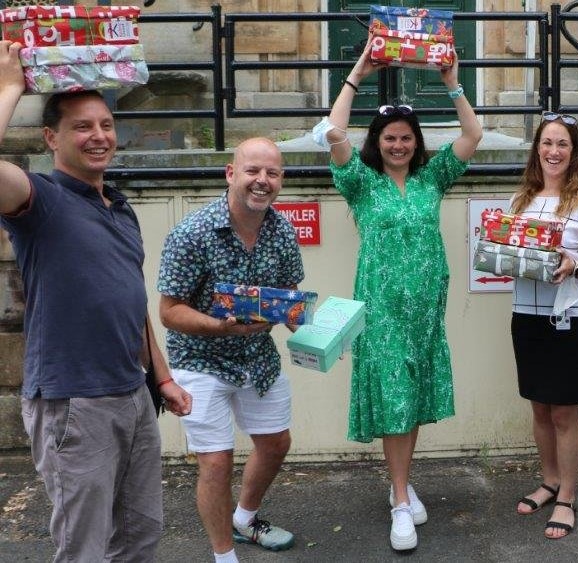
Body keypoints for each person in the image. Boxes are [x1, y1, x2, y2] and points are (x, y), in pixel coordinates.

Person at [0, 41, 192, 561]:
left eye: (105, 124)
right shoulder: (39, 201)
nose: (99, 136)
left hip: (133, 395)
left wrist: (163, 376)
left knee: (139, 537)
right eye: (82, 127)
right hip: (73, 403)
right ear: (51, 137)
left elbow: (131, 302)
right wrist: (10, 87)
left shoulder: (120, 209)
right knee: (83, 548)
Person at [318, 36, 481, 551]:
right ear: (378, 141)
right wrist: (357, 75)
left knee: (409, 400)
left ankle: (402, 485)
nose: (398, 145)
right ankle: (400, 501)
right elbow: (334, 131)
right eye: (389, 138)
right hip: (383, 309)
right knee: (393, 397)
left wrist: (452, 84)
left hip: (424, 309)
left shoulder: (434, 178)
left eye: (406, 138)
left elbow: (473, 133)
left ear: (416, 142)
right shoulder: (360, 183)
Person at [157, 137, 305, 563]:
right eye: (253, 171)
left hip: (256, 356)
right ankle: (224, 556)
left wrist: (321, 331)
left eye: (272, 173)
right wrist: (219, 328)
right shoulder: (193, 232)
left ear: (281, 180)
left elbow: (288, 296)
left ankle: (245, 519)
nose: (262, 181)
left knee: (276, 443)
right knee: (217, 462)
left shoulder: (281, 230)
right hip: (200, 358)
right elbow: (169, 311)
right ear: (230, 173)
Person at [508, 111, 578, 540]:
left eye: (562, 144)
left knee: (565, 412)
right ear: (537, 150)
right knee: (539, 407)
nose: (553, 151)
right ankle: (549, 480)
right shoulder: (520, 201)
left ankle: (566, 496)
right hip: (527, 315)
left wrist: (574, 263)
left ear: (574, 153)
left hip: (570, 319)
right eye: (546, 143)